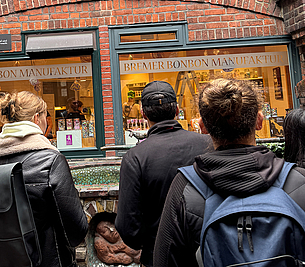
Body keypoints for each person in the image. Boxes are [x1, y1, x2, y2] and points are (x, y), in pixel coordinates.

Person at [154, 79, 305, 266]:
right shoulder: (298, 181)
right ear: (259, 121)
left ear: (202, 127)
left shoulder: (185, 187)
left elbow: (164, 260)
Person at [114, 81, 212, 267]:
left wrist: (148, 244)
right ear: (177, 111)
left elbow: (128, 226)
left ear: (143, 114)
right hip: (207, 252)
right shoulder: (208, 144)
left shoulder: (135, 157)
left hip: (158, 256)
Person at [0, 91, 88, 267]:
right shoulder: (50, 161)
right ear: (37, 118)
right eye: (45, 116)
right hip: (49, 260)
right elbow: (77, 229)